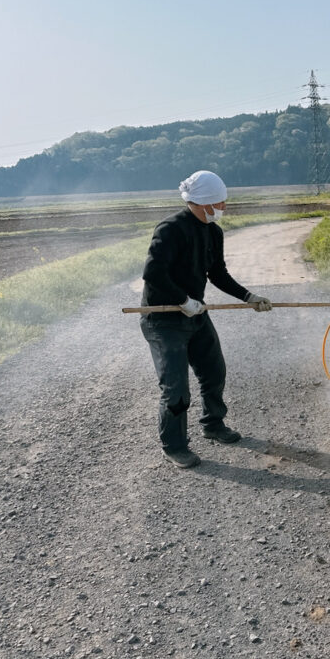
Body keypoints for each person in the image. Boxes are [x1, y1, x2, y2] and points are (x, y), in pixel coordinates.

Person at [139, 170, 272, 469]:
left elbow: (218, 273)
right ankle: (173, 446)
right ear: (202, 203)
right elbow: (153, 274)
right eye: (220, 203)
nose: (223, 208)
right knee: (176, 387)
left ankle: (213, 424)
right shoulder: (170, 229)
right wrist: (182, 300)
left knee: (214, 370)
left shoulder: (213, 232)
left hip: (195, 313)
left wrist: (248, 297)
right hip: (163, 319)